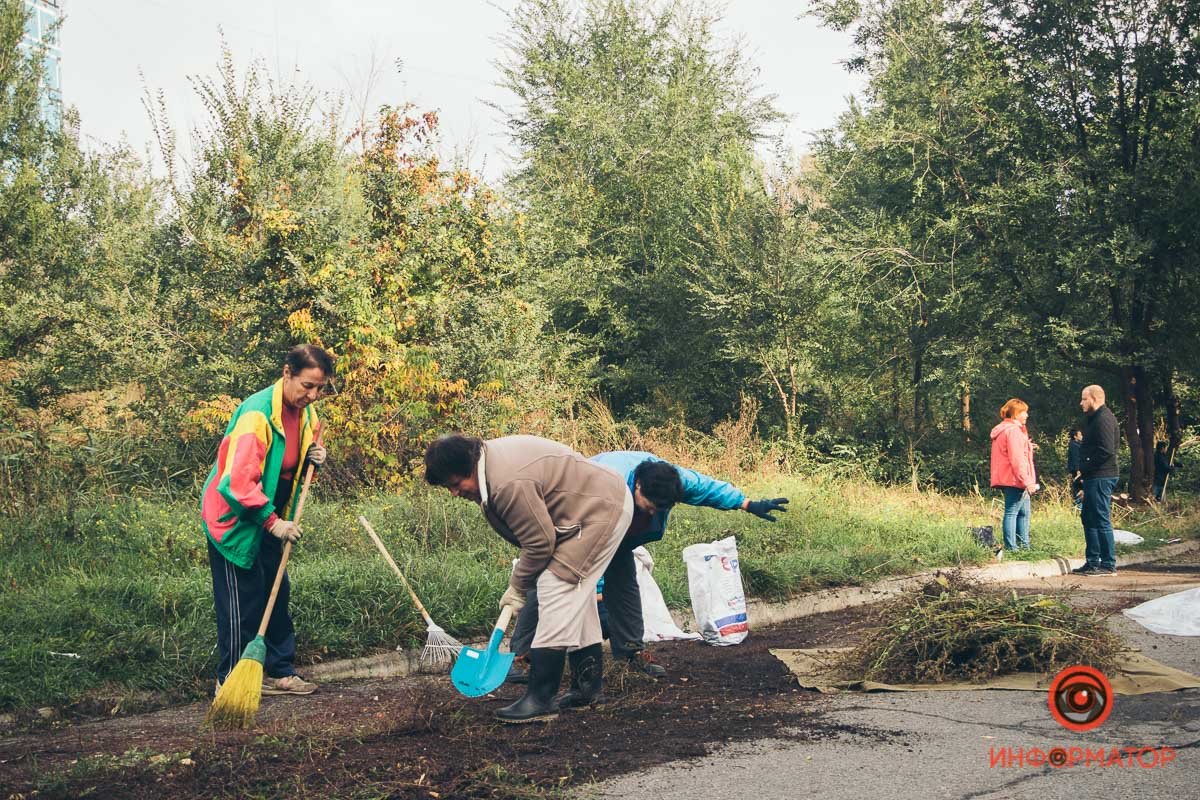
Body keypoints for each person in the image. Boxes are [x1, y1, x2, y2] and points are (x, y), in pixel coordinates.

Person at [507, 452, 788, 690]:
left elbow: (706, 488)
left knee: (626, 581)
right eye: (649, 507)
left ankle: (630, 652)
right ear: (638, 486)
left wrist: (746, 503)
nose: (654, 513)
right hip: (578, 520)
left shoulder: (674, 481)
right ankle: (520, 656)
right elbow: (574, 532)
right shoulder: (607, 483)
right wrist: (596, 590)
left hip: (621, 529)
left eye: (660, 510)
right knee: (552, 581)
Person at [424, 434, 634, 724]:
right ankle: (587, 691)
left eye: (455, 485)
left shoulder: (508, 483)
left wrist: (517, 586)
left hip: (599, 510)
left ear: (469, 466)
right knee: (576, 594)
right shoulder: (490, 467)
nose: (455, 494)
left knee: (555, 586)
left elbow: (538, 543)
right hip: (585, 511)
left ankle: (541, 697)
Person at [201, 344, 333, 696]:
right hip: (236, 516)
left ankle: (278, 671)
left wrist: (312, 459)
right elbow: (237, 482)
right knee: (241, 602)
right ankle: (230, 682)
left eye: (320, 388)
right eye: (307, 386)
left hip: (274, 514)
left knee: (276, 593)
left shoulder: (308, 416)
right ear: (287, 373)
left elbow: (290, 469)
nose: (313, 395)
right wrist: (271, 521)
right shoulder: (257, 414)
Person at [1071, 385, 1119, 576]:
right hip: (1093, 476)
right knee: (1088, 518)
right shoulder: (1093, 419)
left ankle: (1108, 564)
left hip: (1102, 475)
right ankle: (1092, 561)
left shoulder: (1104, 419)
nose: (1081, 403)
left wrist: (1086, 468)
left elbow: (1107, 451)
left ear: (1094, 399)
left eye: (1084, 399)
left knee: (1100, 518)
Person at [989, 399, 1038, 551]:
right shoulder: (1014, 431)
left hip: (1010, 477)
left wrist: (1028, 446)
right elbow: (1017, 459)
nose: (1027, 415)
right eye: (1023, 412)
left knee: (1023, 512)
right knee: (1012, 512)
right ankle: (1013, 548)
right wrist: (1027, 481)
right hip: (1015, 478)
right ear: (1016, 414)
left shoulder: (1005, 429)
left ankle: (1024, 547)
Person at [1066, 427, 1083, 510]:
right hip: (1076, 471)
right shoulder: (1074, 445)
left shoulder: (1076, 444)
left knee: (1079, 489)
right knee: (1078, 489)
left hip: (1077, 470)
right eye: (1080, 435)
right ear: (1075, 436)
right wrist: (1078, 470)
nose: (1082, 436)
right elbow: (1076, 459)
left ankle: (1078, 506)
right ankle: (1077, 507)